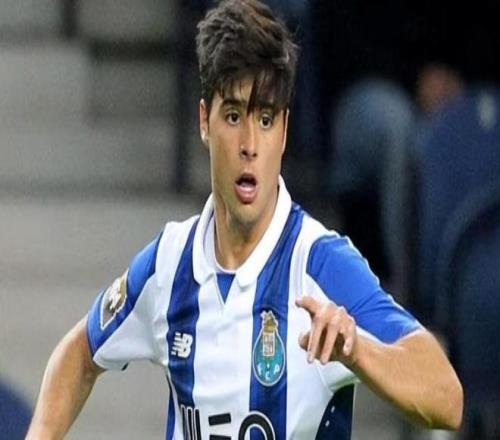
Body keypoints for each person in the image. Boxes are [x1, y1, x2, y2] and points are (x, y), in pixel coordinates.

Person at [26, 1, 463, 438]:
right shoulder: (169, 264)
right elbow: (80, 353)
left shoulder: (319, 264)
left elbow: (447, 398)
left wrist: (358, 352)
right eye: (233, 116)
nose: (249, 144)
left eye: (266, 119)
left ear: (284, 131)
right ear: (204, 121)